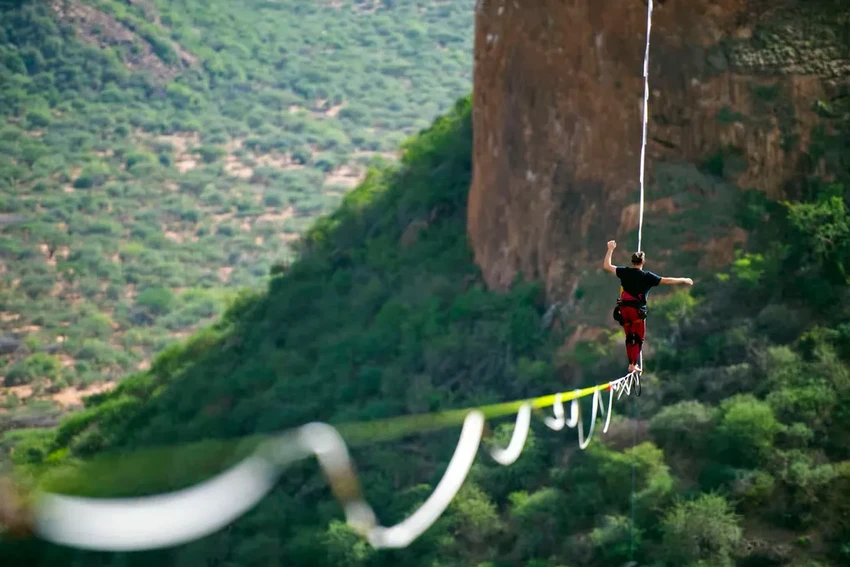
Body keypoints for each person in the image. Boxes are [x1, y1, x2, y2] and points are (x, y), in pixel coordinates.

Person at [603, 240, 693, 374]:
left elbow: (607, 266)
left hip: (624, 310)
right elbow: (667, 280)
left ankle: (632, 364)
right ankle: (632, 365)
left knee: (629, 337)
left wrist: (610, 249)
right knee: (637, 338)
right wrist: (683, 279)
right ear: (643, 262)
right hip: (636, 311)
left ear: (632, 261)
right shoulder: (647, 276)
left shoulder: (624, 272)